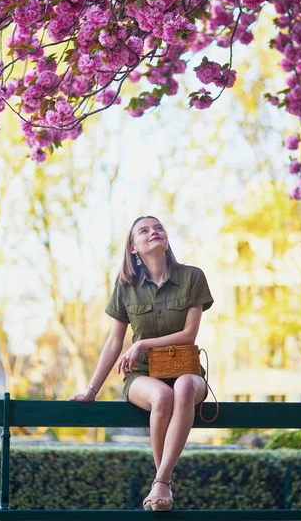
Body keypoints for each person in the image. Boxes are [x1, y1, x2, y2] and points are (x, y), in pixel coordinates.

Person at [69, 215, 214, 511]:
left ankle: (161, 481)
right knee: (162, 396)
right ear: (133, 247)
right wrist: (92, 390)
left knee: (183, 387)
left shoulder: (192, 277)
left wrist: (142, 343)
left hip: (187, 370)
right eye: (144, 231)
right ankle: (163, 483)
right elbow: (113, 343)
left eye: (158, 227)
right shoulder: (125, 287)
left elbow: (189, 335)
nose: (154, 232)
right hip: (143, 375)